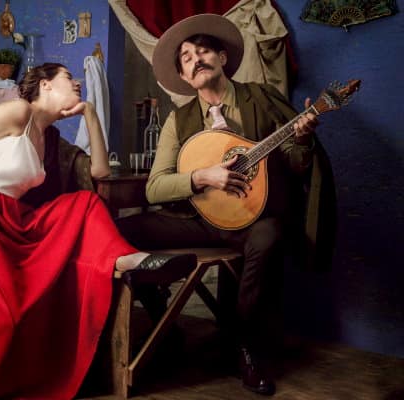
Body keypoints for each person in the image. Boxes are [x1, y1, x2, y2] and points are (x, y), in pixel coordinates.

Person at [0, 63, 196, 400]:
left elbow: (100, 171)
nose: (78, 83)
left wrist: (90, 114)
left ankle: (129, 259)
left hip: (13, 219)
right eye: (69, 78)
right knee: (3, 317)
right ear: (45, 85)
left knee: (84, 203)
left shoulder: (50, 138)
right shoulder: (18, 112)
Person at [116, 14, 335, 396]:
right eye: (186, 58)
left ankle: (247, 347)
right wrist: (203, 177)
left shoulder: (261, 98)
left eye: (203, 51)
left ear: (222, 58)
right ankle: (162, 321)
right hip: (197, 218)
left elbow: (297, 165)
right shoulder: (178, 121)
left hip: (251, 219)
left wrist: (301, 140)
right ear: (184, 77)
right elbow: (155, 188)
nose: (196, 59)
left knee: (269, 238)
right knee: (120, 231)